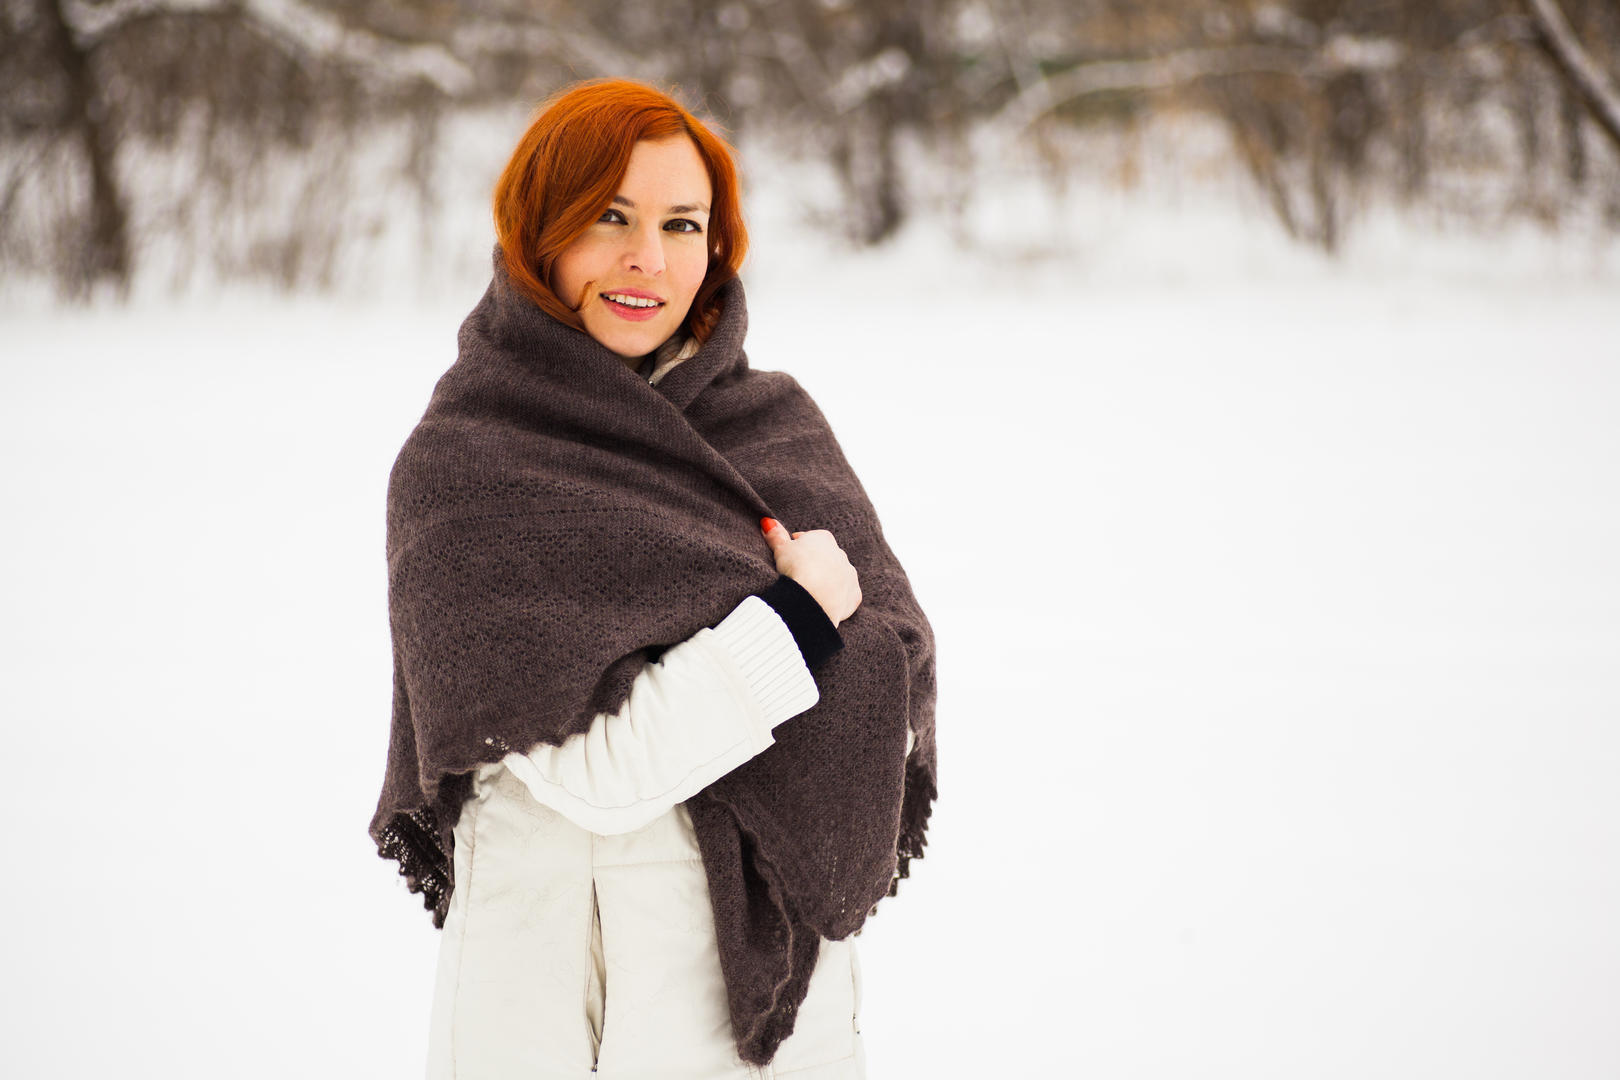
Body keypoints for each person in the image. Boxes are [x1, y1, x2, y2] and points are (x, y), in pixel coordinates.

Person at [370, 78, 937, 1080]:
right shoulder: (469, 469)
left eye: (682, 224)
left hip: (790, 1028)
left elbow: (891, 687)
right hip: (569, 1032)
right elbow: (601, 770)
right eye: (610, 217)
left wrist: (808, 655)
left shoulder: (775, 430)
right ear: (540, 230)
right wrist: (799, 620)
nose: (650, 259)